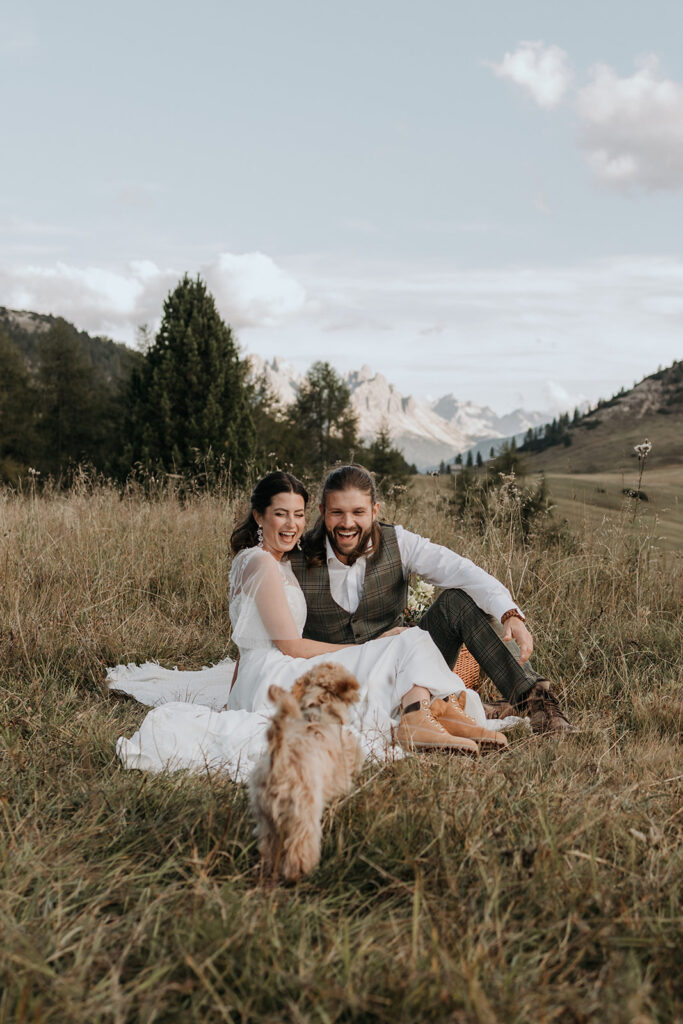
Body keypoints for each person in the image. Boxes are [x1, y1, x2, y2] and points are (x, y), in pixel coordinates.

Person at [108, 472, 510, 781]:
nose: (291, 524)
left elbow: (250, 646)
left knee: (405, 640)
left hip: (265, 669)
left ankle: (432, 710)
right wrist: (369, 647)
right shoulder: (261, 563)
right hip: (276, 670)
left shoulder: (276, 560)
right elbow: (290, 645)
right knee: (405, 640)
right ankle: (420, 715)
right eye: (280, 513)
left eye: (298, 514)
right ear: (258, 516)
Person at [287, 465, 572, 735]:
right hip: (338, 679)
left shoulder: (398, 542)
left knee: (456, 601)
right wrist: (374, 647)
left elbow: (460, 570)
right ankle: (455, 706)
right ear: (323, 511)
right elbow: (288, 644)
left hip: (405, 668)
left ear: (374, 511)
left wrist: (510, 613)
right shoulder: (294, 558)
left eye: (358, 512)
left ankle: (537, 702)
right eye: (337, 512)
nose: (347, 523)